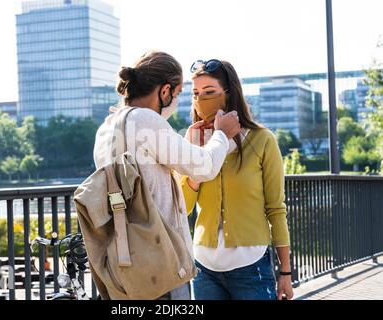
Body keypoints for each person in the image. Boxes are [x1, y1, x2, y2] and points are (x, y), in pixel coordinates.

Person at [93, 51, 241, 299]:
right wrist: (222, 135)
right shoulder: (146, 121)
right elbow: (205, 167)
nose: (178, 100)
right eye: (179, 93)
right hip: (158, 261)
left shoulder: (107, 128)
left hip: (124, 257)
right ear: (165, 91)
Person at [181, 59, 294, 300]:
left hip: (250, 266)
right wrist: (199, 156)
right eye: (195, 93)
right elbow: (183, 206)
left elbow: (276, 208)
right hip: (204, 269)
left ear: (229, 94)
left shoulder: (263, 140)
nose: (201, 99)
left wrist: (285, 272)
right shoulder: (193, 141)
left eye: (209, 92)